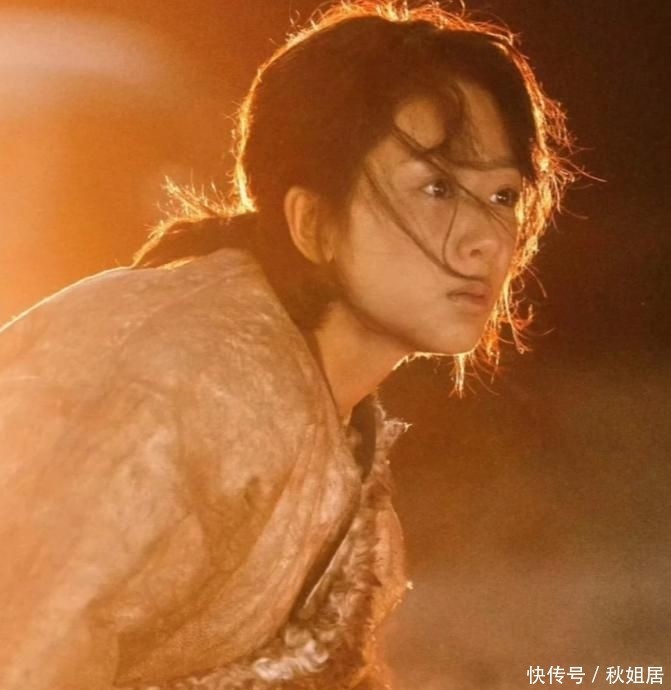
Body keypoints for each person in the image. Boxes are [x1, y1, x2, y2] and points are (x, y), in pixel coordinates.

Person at [0, 1, 573, 688]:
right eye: (436, 187)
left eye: (503, 196)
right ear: (313, 222)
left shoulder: (314, 405)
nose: (484, 239)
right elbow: (25, 643)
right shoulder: (186, 383)